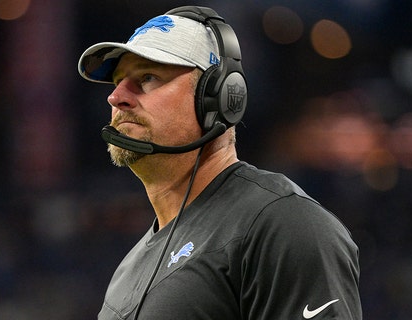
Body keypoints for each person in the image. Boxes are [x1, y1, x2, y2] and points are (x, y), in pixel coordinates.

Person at [77, 5, 362, 320]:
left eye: (147, 77)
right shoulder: (129, 269)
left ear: (218, 99)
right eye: (117, 81)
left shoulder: (280, 223)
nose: (116, 97)